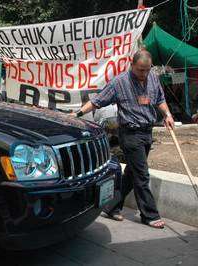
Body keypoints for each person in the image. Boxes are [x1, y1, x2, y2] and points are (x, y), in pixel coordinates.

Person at [71, 50, 175, 229]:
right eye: (140, 70)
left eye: (147, 70)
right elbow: (97, 101)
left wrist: (167, 114)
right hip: (130, 134)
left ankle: (111, 206)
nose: (143, 74)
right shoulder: (119, 82)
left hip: (147, 132)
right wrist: (78, 113)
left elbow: (160, 99)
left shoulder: (153, 79)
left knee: (132, 173)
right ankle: (149, 214)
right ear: (131, 64)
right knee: (142, 174)